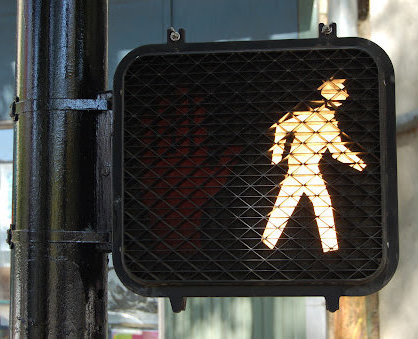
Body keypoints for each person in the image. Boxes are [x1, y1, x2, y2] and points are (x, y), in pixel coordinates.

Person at [262, 79, 366, 252]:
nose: (345, 95)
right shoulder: (307, 115)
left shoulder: (331, 125)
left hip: (311, 170)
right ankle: (330, 249)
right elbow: (280, 126)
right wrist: (276, 155)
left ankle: (268, 244)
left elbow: (337, 151)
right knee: (316, 205)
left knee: (294, 206)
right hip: (300, 170)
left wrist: (358, 163)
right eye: (341, 90)